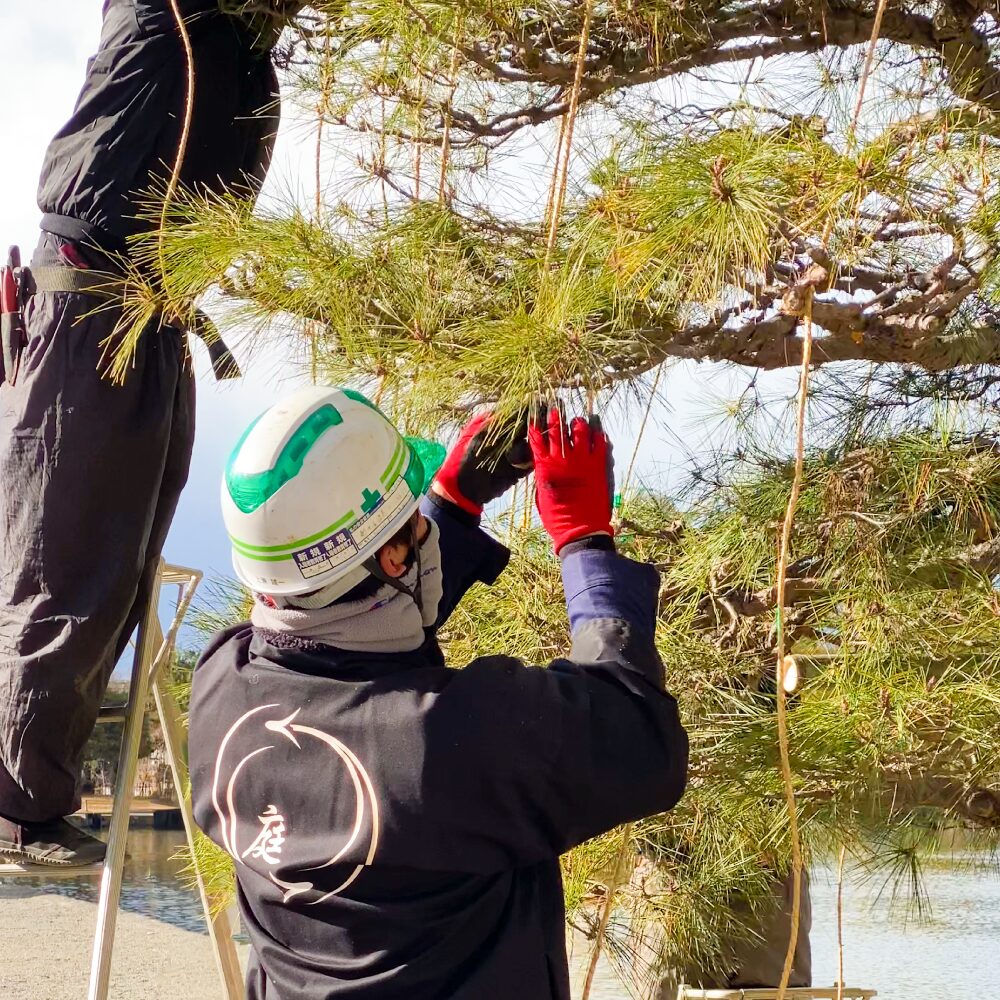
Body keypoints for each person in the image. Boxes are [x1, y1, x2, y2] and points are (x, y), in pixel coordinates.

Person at [188, 386, 690, 1000]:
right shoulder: (455, 736)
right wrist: (584, 542)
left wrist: (450, 507)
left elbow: (353, 645)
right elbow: (637, 738)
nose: (422, 531)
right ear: (395, 555)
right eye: (414, 527)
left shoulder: (220, 687)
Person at [0, 0, 299, 867]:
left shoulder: (243, 47)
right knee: (66, 561)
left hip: (152, 315)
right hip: (90, 301)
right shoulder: (158, 15)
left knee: (117, 572)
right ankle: (17, 807)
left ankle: (34, 793)